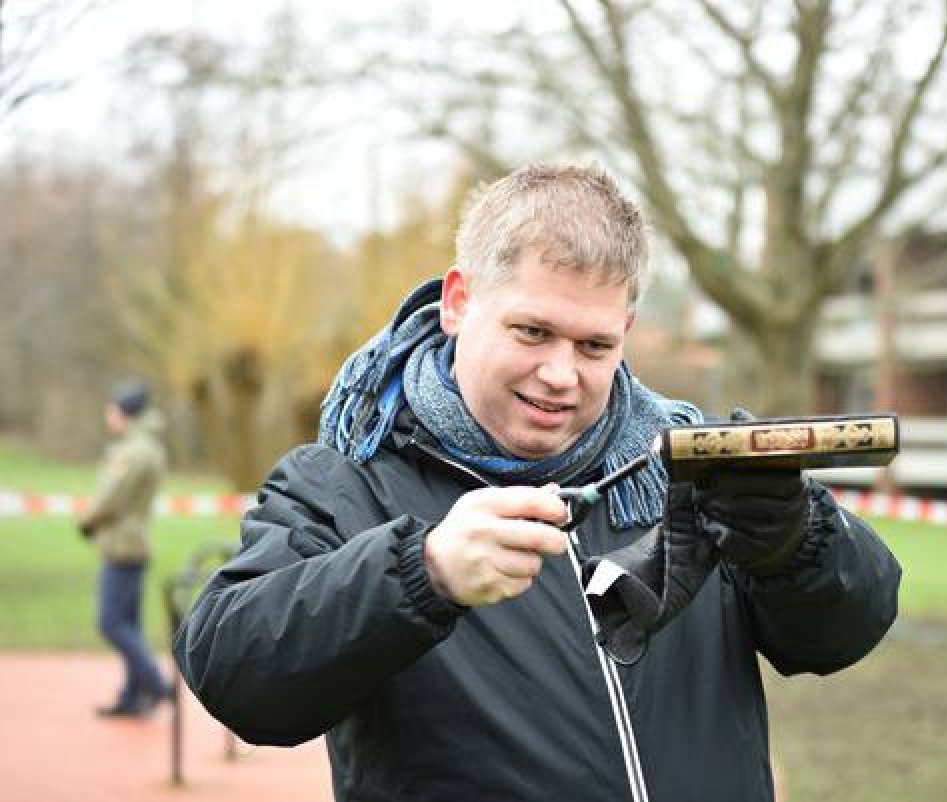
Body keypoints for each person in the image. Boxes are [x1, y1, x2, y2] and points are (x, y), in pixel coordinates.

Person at [174, 164, 901, 801]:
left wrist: (794, 541)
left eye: (594, 345)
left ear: (628, 328)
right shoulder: (348, 479)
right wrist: (419, 574)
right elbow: (235, 676)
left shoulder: (691, 465)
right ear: (459, 301)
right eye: (532, 332)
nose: (561, 375)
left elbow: (845, 632)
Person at [79, 379, 172, 717]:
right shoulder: (143, 446)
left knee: (112, 623)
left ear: (124, 413)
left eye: (113, 408)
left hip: (123, 543)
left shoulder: (135, 451)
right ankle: (134, 695)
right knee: (128, 623)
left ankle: (156, 685)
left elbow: (111, 497)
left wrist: (88, 520)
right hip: (133, 541)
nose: (108, 414)